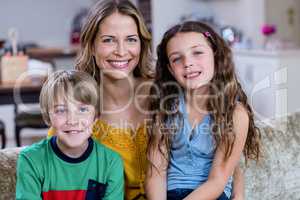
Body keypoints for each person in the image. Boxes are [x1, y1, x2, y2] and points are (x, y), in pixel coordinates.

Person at [49, 1, 244, 199]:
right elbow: (60, 174)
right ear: (91, 45)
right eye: (108, 40)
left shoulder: (167, 92)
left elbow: (224, 143)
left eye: (131, 39)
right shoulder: (75, 107)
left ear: (142, 45)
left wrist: (238, 191)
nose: (121, 51)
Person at [146, 21, 261, 200]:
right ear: (170, 69)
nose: (188, 63)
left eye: (197, 53)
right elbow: (156, 174)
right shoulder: (166, 108)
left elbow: (217, 181)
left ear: (215, 55)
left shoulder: (235, 114)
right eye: (177, 58)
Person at [16, 70, 124, 200]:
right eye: (61, 110)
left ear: (95, 117)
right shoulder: (30, 160)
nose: (73, 120)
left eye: (83, 109)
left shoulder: (111, 163)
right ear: (48, 117)